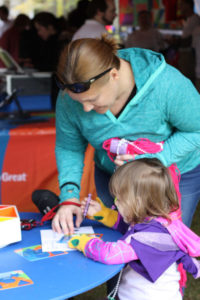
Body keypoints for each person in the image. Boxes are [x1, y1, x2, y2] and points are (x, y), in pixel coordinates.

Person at [52, 35, 200, 237]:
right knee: (117, 237)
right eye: (79, 102)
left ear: (114, 74)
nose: (86, 109)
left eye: (93, 100)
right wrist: (69, 196)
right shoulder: (69, 99)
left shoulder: (167, 85)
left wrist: (157, 159)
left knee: (165, 243)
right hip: (114, 178)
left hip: (174, 176)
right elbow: (69, 147)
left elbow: (196, 130)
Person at [68, 158, 200, 300]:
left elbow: (110, 254)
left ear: (137, 202)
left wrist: (86, 243)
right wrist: (104, 214)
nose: (115, 203)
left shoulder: (146, 239)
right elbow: (129, 226)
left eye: (119, 199)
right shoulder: (160, 223)